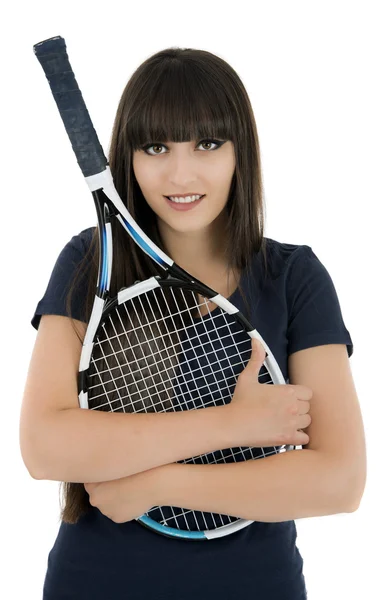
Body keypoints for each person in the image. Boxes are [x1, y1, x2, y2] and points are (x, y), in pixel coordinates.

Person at [19, 46, 365, 599]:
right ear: (127, 158)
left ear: (239, 153)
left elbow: (340, 483)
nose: (181, 173)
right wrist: (235, 424)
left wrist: (155, 483)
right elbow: (44, 446)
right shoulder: (87, 263)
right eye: (156, 146)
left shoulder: (293, 277)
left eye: (208, 144)